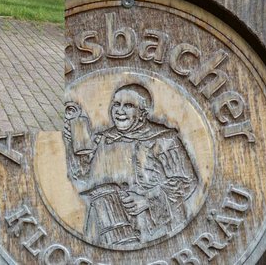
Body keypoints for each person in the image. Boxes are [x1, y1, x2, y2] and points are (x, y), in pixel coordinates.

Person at [64, 82, 200, 247]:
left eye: (128, 105)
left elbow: (187, 181)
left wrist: (148, 200)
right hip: (103, 224)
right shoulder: (103, 139)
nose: (119, 111)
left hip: (151, 227)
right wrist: (71, 142)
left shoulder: (164, 139)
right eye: (116, 104)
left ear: (143, 113)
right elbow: (81, 177)